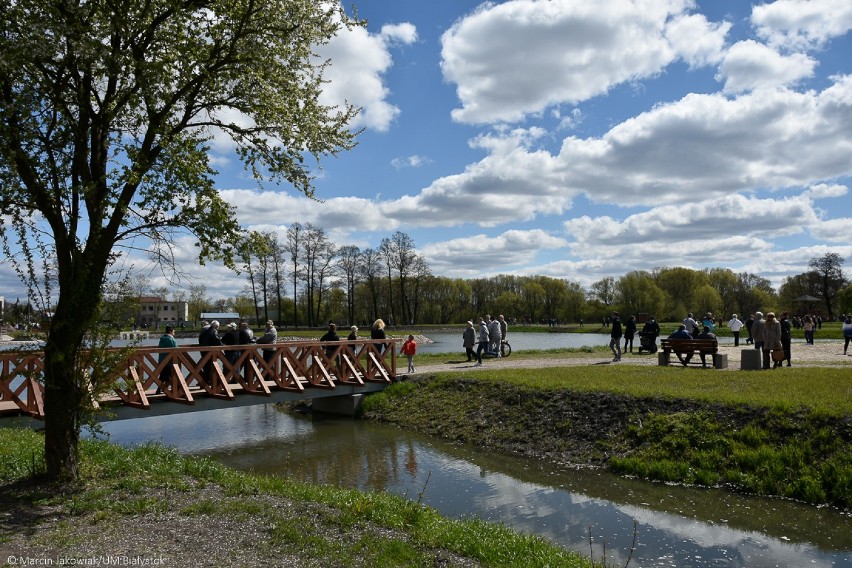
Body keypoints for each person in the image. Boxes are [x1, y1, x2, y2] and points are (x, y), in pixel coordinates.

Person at [157, 325, 177, 392]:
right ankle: (170, 389)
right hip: (169, 361)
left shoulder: (162, 339)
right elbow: (176, 349)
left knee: (162, 376)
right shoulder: (170, 339)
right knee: (169, 376)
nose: (174, 333)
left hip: (162, 360)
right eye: (174, 331)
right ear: (170, 331)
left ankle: (160, 389)